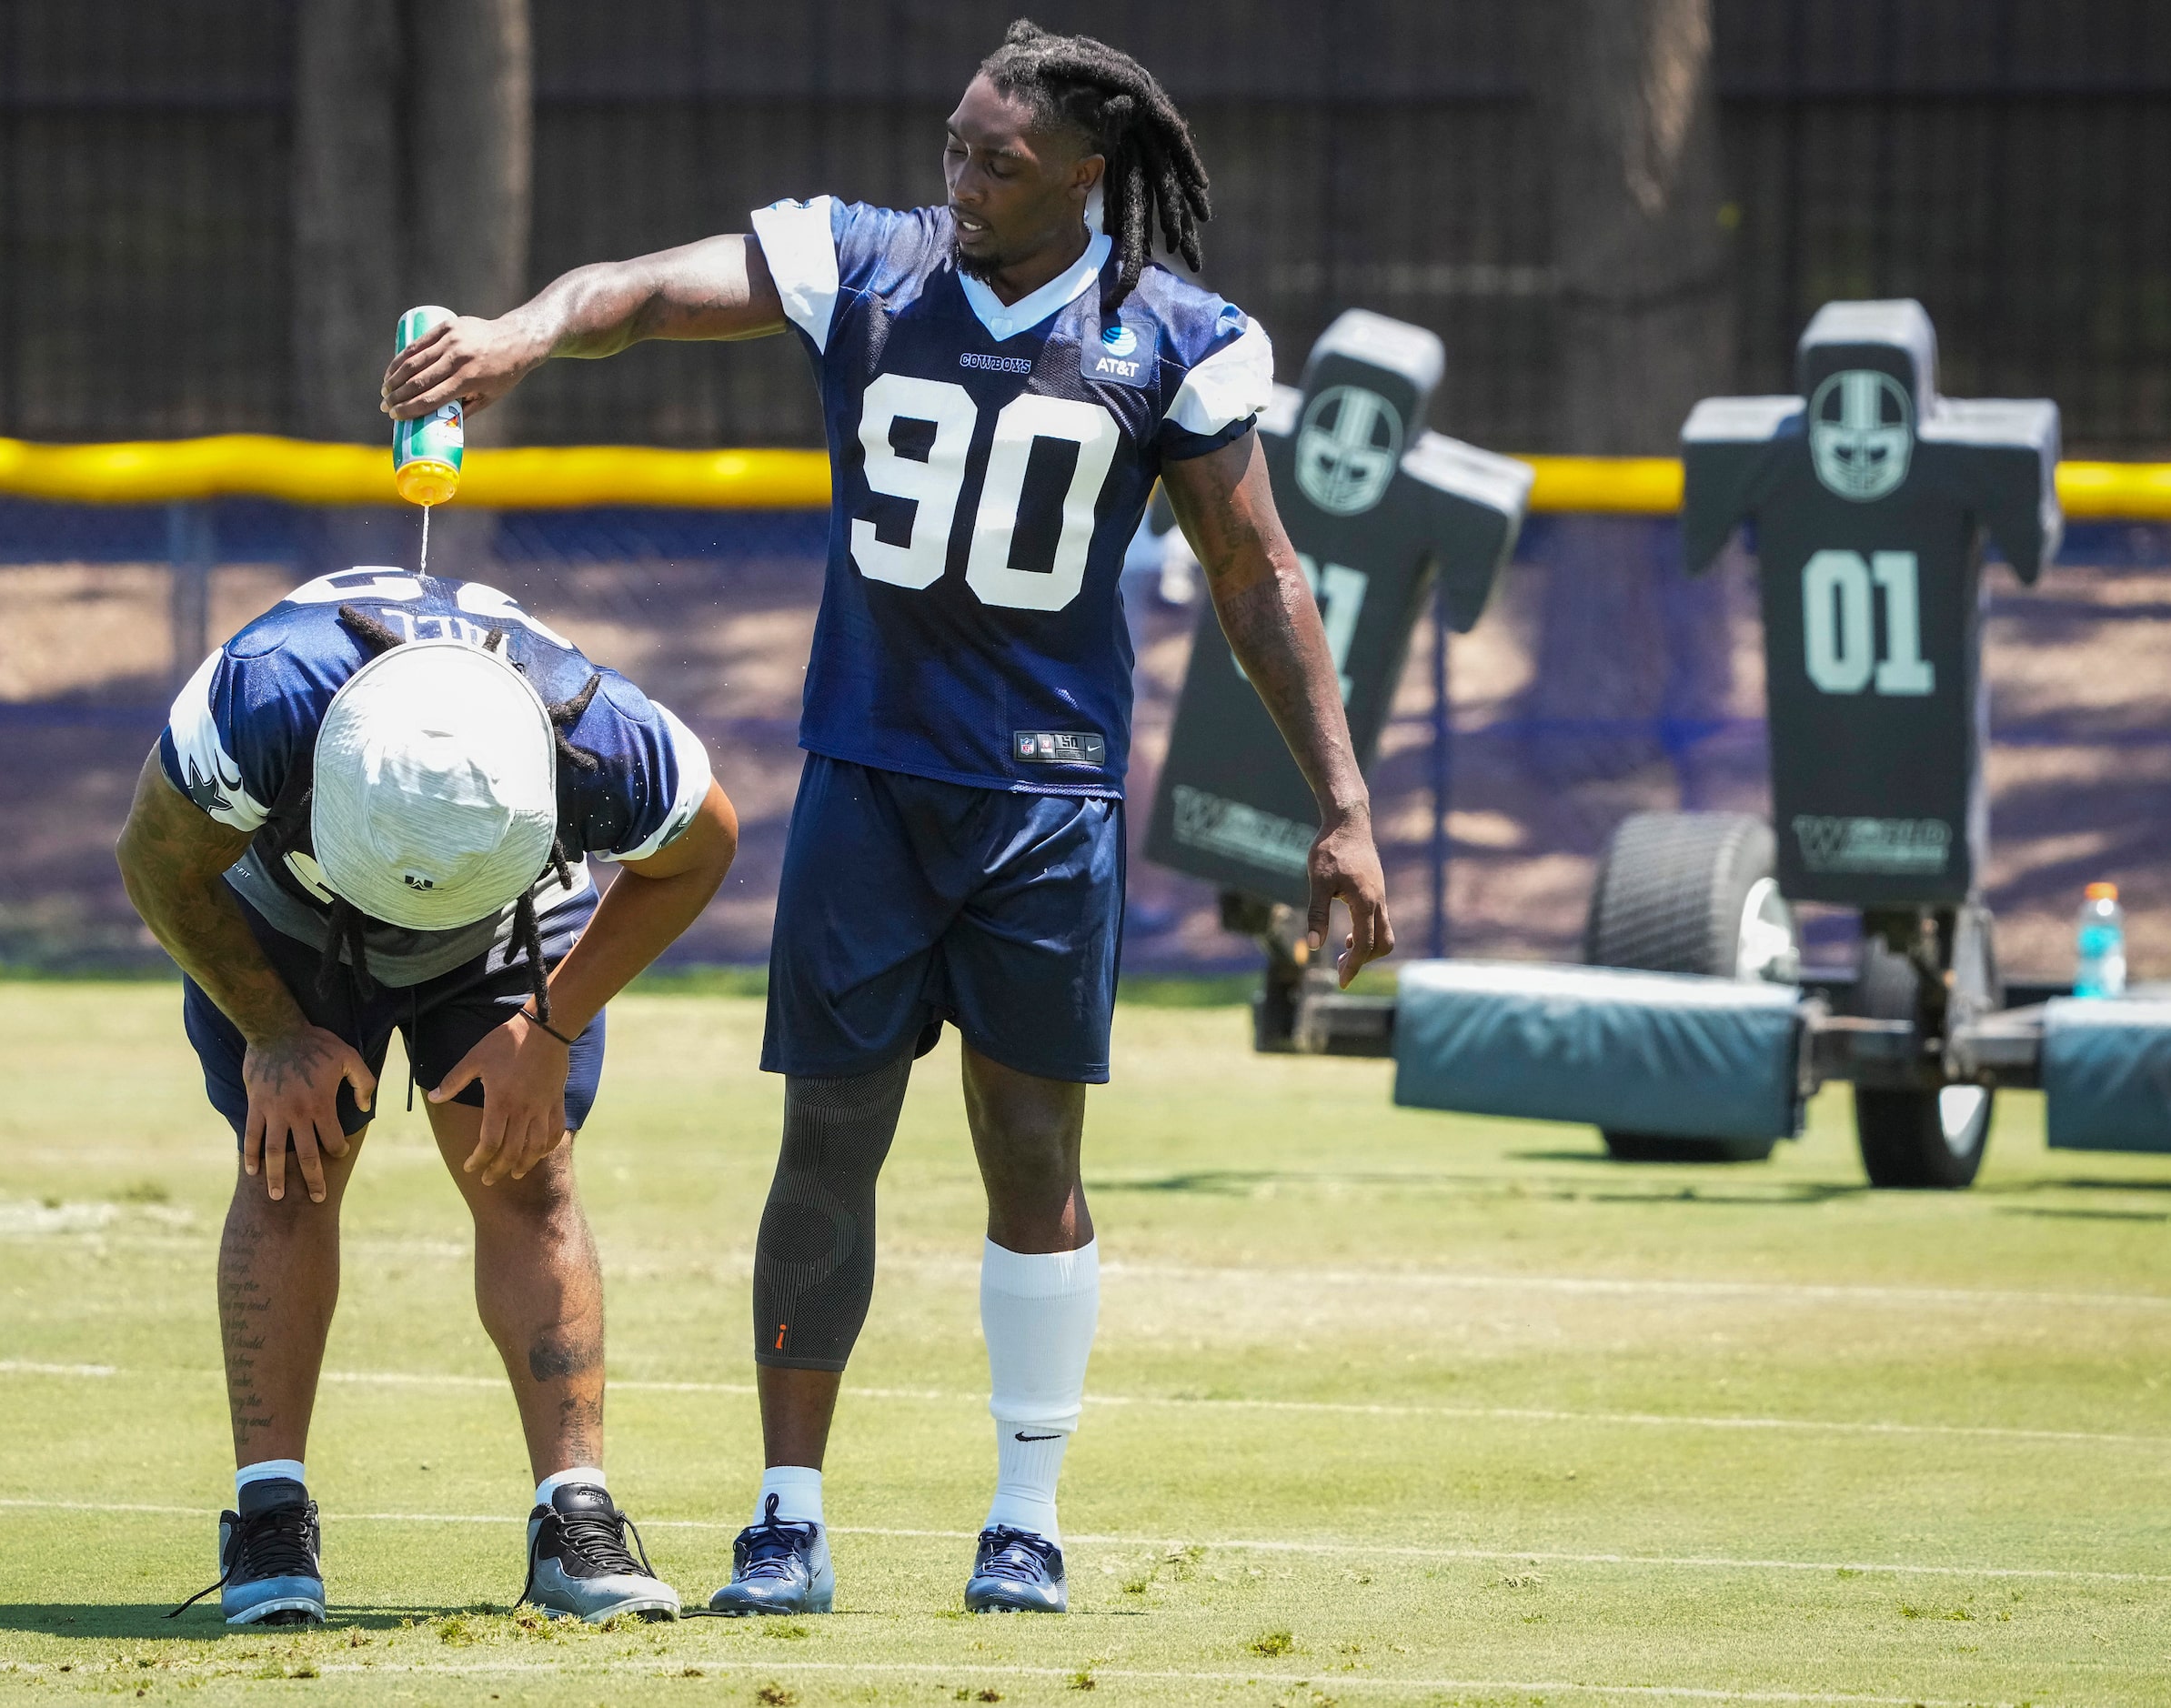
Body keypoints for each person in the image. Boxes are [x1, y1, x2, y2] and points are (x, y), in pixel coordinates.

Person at [380, 20, 1393, 1617]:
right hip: (868, 776)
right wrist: (520, 332)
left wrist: (1339, 804)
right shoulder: (867, 263)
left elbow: (1256, 577)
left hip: (1045, 802)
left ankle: (1025, 1511)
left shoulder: (1173, 334)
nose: (964, 179)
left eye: (999, 160)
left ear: (1086, 173)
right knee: (827, 1137)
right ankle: (786, 1512)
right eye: (955, 147)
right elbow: (641, 291)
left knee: (1032, 1148)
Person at [116, 568, 737, 1625]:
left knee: (528, 1176)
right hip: (284, 920)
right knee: (290, 1170)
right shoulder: (265, 698)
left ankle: (573, 1518)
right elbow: (156, 864)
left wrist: (552, 1027)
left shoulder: (598, 736)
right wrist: (272, 1033)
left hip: (507, 929)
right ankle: (269, 1519)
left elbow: (704, 845)